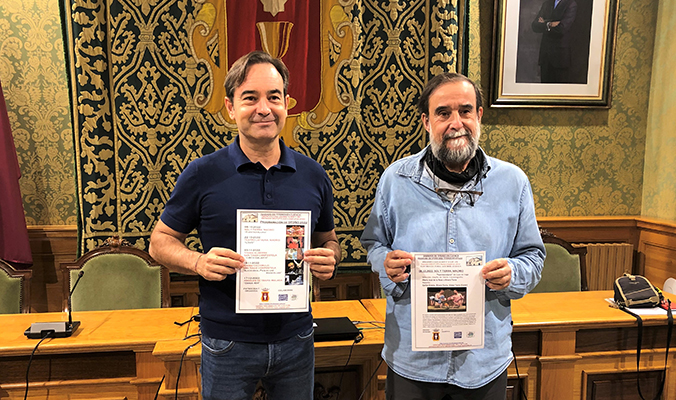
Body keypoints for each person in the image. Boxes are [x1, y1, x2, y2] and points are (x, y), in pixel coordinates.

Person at [149, 51, 340, 400]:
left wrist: (330, 257)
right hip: (227, 342)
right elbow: (159, 241)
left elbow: (329, 239)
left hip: (296, 338)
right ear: (230, 107)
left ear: (287, 104)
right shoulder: (202, 173)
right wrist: (198, 262)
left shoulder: (313, 175)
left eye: (274, 97)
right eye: (250, 98)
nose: (263, 109)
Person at [361, 72, 545, 399]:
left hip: (483, 361)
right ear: (426, 122)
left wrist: (512, 273)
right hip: (413, 361)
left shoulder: (513, 183)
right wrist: (385, 263)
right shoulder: (395, 180)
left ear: (479, 116)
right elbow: (374, 244)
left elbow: (533, 257)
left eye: (465, 111)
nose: (455, 123)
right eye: (443, 113)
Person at [531, 0, 578, 83]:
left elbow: (562, 29)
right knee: (544, 88)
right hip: (545, 56)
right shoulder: (547, 3)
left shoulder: (571, 4)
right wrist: (550, 24)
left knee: (559, 88)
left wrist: (544, 23)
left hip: (560, 58)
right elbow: (534, 26)